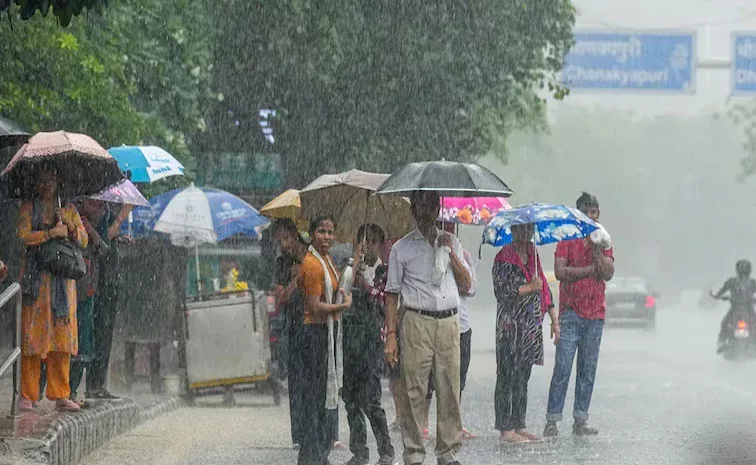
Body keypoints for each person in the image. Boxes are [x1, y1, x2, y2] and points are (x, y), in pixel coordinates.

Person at [384, 190, 472, 465]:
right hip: (416, 320)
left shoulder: (452, 242)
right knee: (414, 390)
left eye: (433, 205)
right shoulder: (402, 248)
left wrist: (449, 251)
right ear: (414, 210)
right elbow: (391, 294)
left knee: (449, 388)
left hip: (448, 322)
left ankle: (447, 452)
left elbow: (466, 285)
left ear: (438, 209)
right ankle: (414, 453)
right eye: (422, 205)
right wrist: (391, 337)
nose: (428, 211)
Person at [544, 192, 614, 437]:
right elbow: (560, 271)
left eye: (596, 212)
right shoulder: (567, 237)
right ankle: (552, 420)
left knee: (588, 369)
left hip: (595, 314)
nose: (593, 217)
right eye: (588, 213)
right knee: (563, 367)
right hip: (571, 313)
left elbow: (608, 272)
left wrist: (596, 251)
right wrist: (587, 270)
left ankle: (580, 420)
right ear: (579, 214)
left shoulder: (603, 240)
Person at [17, 169, 87, 412]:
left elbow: (84, 240)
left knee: (62, 340)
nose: (47, 183)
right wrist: (49, 234)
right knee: (32, 340)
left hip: (62, 283)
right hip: (37, 283)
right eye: (43, 178)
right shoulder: (29, 208)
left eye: (51, 179)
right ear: (36, 181)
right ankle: (28, 394)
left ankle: (60, 394)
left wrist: (67, 224)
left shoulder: (68, 208)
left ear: (58, 182)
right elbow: (24, 236)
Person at [493, 224, 559, 443]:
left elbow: (544, 289)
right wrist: (528, 287)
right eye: (522, 229)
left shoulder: (533, 254)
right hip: (510, 328)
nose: (526, 234)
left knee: (522, 377)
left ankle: (519, 424)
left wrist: (554, 320)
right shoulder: (504, 257)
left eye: (529, 229)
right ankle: (505, 428)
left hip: (529, 329)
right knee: (506, 377)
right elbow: (502, 292)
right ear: (513, 230)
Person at [297, 214, 352, 465]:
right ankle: (311, 455)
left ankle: (317, 454)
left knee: (320, 400)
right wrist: (341, 308)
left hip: (324, 333)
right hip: (314, 335)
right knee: (314, 399)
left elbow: (336, 288)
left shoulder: (327, 260)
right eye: (321, 232)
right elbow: (314, 306)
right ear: (311, 234)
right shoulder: (313, 264)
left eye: (330, 232)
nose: (327, 237)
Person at [342, 223, 395, 465]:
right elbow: (341, 290)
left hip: (372, 339)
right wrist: (355, 265)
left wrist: (366, 286)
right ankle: (359, 450)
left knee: (371, 399)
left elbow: (385, 303)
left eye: (373, 241)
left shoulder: (385, 272)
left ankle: (386, 450)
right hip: (351, 338)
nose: (369, 246)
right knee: (350, 396)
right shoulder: (351, 267)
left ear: (381, 244)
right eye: (364, 241)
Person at [423, 222, 476, 441]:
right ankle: (423, 423)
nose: (447, 228)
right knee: (428, 377)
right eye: (442, 224)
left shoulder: (461, 250)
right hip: (432, 321)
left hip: (459, 323)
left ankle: (454, 422)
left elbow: (469, 287)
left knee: (457, 377)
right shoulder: (424, 250)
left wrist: (452, 254)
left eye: (450, 225)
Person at [87, 201, 132, 400]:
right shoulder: (97, 209)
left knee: (106, 333)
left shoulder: (106, 209)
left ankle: (99, 383)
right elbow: (101, 241)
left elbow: (109, 239)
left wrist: (119, 239)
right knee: (100, 332)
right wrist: (122, 216)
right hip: (99, 280)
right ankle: (93, 384)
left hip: (111, 278)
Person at [273, 219, 310, 448]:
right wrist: (296, 279)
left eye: (286, 238)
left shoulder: (312, 255)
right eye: (280, 239)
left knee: (315, 380)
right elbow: (282, 297)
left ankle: (321, 432)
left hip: (315, 321)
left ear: (295, 235)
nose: (283, 243)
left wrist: (305, 269)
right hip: (294, 324)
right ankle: (298, 434)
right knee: (296, 381)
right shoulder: (281, 263)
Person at [711, 259, 756, 352]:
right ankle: (722, 343)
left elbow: (721, 291)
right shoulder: (752, 282)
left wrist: (717, 296)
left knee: (724, 323)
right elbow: (721, 291)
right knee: (725, 323)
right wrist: (718, 295)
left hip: (736, 309)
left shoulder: (733, 281)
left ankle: (722, 342)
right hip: (746, 309)